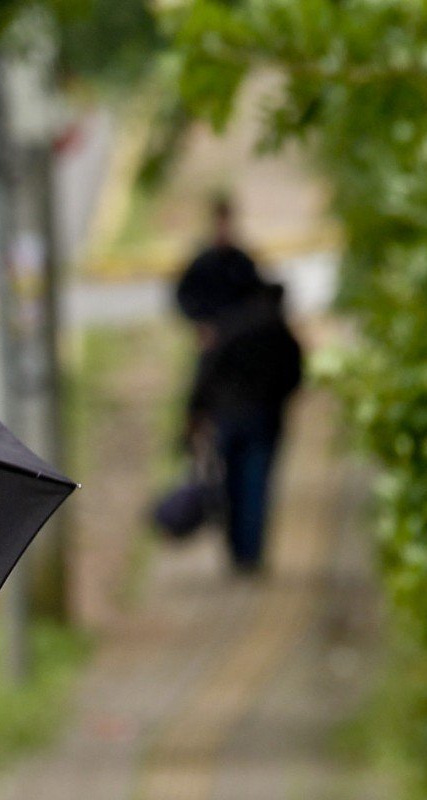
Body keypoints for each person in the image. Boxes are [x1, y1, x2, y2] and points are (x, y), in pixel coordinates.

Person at [175, 195, 305, 574]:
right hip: (263, 413)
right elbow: (295, 370)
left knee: (235, 482)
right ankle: (249, 552)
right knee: (255, 485)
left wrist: (194, 413)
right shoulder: (273, 329)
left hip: (233, 412)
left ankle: (239, 551)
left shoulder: (229, 327)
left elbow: (207, 373)